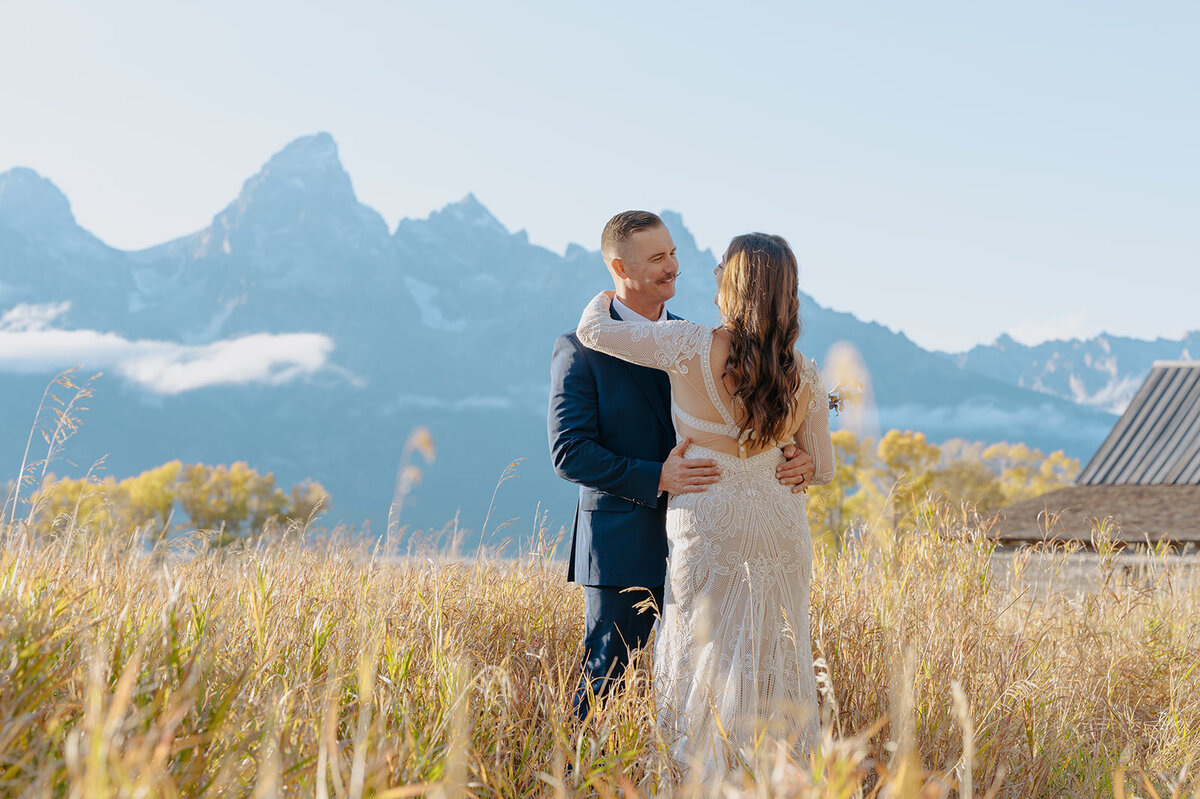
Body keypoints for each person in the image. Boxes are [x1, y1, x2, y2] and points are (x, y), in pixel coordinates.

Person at [574, 231, 835, 778]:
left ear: (734, 283)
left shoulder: (688, 344)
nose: (712, 271)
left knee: (701, 656)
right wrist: (800, 464)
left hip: (708, 511)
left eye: (723, 266)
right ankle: (777, 780)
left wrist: (614, 279)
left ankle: (696, 780)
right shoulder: (806, 372)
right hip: (778, 520)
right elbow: (823, 468)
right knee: (774, 659)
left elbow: (593, 331)